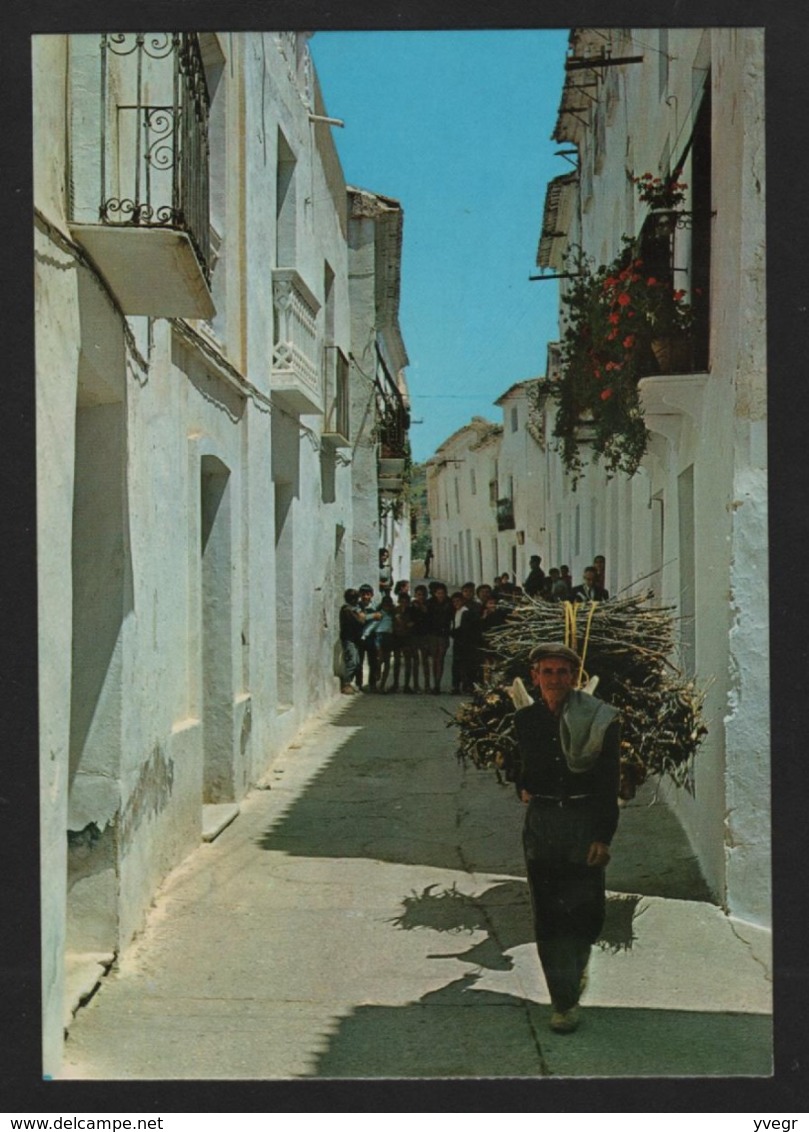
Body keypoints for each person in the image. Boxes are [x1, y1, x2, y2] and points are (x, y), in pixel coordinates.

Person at [513, 642, 621, 1034]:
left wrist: (602, 836)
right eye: (547, 672)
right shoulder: (525, 720)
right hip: (542, 824)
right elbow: (520, 770)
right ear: (535, 678)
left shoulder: (600, 719)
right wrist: (521, 786)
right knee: (549, 914)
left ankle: (576, 968)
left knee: (586, 911)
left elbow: (609, 782)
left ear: (575, 678)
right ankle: (563, 1002)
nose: (555, 679)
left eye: (563, 672)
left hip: (583, 820)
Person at [425, 582, 453, 694]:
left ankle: (437, 684)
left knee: (440, 658)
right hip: (432, 634)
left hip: (443, 634)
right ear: (435, 593)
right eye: (438, 593)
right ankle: (434, 683)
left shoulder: (449, 603)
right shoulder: (430, 603)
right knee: (435, 658)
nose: (440, 595)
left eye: (442, 593)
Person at [338, 588, 365, 693]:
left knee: (357, 662)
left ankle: (350, 682)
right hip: (348, 639)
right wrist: (360, 616)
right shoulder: (347, 610)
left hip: (355, 639)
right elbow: (360, 622)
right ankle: (346, 683)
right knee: (352, 661)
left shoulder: (355, 609)